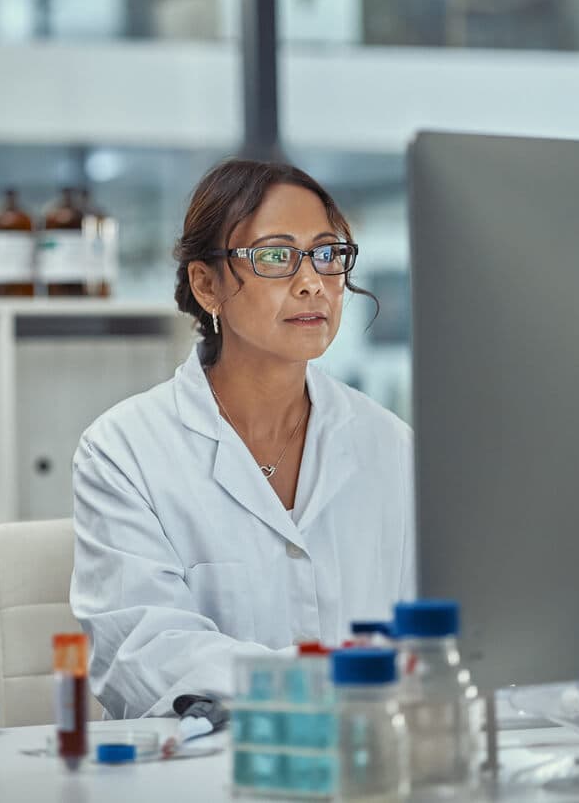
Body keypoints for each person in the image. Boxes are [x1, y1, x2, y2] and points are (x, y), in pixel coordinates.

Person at [70, 159, 413, 719]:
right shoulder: (125, 450)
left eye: (327, 254)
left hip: (363, 762)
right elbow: (144, 656)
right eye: (276, 256)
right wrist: (327, 680)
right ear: (207, 285)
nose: (312, 282)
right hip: (202, 772)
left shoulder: (390, 445)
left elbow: (438, 630)